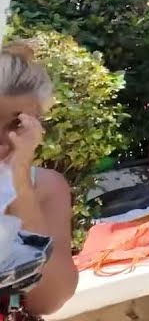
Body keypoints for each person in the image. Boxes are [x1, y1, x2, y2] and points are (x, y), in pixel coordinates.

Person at [0, 44, 78, 320]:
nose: (3, 141)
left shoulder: (45, 186)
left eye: (16, 125)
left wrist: (21, 184)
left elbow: (49, 300)